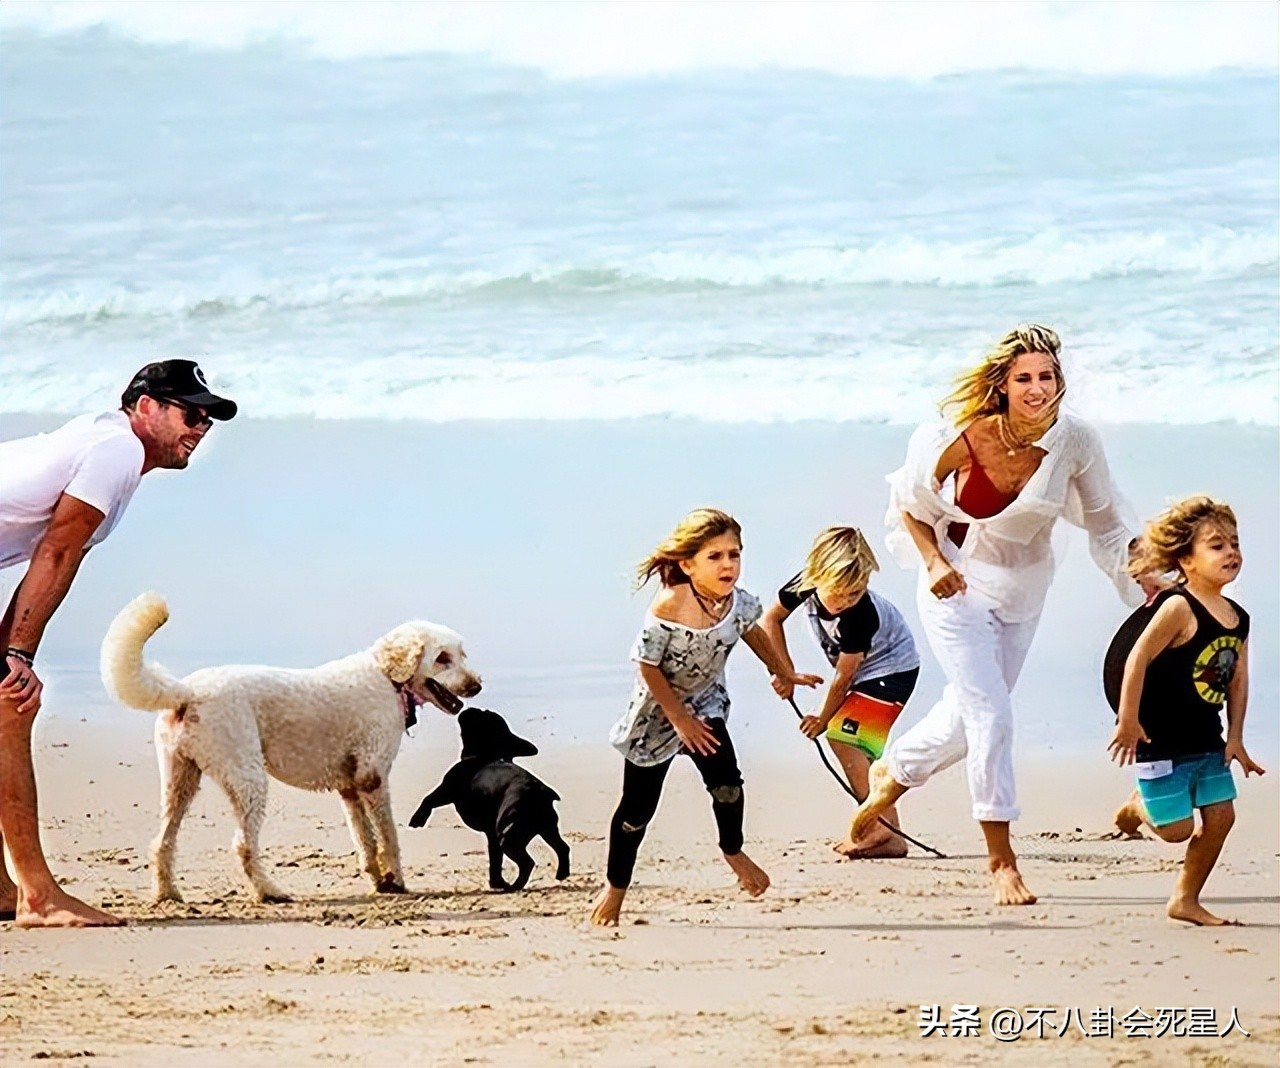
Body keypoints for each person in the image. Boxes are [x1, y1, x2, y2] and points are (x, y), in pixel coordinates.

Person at [849, 324, 1158, 906]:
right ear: (1003, 384)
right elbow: (908, 506)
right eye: (1024, 378)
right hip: (955, 588)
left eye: (1047, 377)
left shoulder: (1075, 441)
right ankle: (1001, 861)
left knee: (967, 721)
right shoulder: (955, 434)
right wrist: (935, 562)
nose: (1037, 389)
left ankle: (888, 781)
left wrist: (1145, 572)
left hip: (1024, 591)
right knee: (992, 716)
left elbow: (1108, 522)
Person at [0, 359, 236, 927]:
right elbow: (56, 552)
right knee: (10, 704)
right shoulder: (115, 451)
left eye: (209, 417)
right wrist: (17, 656)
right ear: (145, 407)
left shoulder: (108, 450)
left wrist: (9, 650)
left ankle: (8, 891)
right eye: (190, 412)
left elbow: (52, 553)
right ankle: (37, 896)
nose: (201, 427)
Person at [590, 508, 821, 926]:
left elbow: (751, 629)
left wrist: (782, 671)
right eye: (715, 556)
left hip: (706, 702)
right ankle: (615, 890)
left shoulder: (738, 602)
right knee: (636, 812)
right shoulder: (669, 606)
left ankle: (733, 850)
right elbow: (646, 665)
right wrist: (679, 721)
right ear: (687, 564)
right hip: (657, 712)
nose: (728, 565)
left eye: (734, 554)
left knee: (728, 786)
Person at [1108, 497, 1264, 926]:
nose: (1231, 552)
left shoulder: (1239, 618)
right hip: (1157, 735)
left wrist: (1236, 737)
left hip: (1205, 735)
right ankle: (1138, 807)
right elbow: (1136, 658)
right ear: (1186, 561)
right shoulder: (1178, 606)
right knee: (1174, 830)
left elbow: (1236, 679)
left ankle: (1185, 899)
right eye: (1216, 545)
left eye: (1234, 543)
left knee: (1221, 816)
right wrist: (1127, 720)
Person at [760, 526, 920, 858]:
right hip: (864, 674)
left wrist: (821, 718)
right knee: (857, 746)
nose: (847, 601)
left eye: (857, 591)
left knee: (842, 737)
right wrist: (783, 671)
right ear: (817, 577)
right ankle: (888, 831)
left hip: (892, 670)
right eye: (840, 592)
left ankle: (878, 828)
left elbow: (842, 678)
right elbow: (771, 620)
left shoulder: (860, 616)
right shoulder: (804, 583)